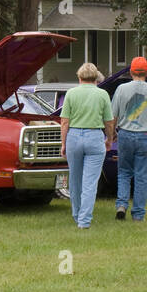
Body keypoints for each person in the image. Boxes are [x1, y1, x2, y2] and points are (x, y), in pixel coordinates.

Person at [110, 56, 147, 221]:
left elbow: (113, 116)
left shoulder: (121, 89)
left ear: (130, 71)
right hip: (145, 137)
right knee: (142, 176)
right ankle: (138, 214)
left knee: (123, 172)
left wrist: (112, 133)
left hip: (125, 135)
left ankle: (121, 205)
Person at [59, 63, 113, 228]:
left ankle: (76, 215)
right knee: (90, 182)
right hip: (95, 136)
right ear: (96, 78)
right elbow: (109, 122)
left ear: (79, 77)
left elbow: (64, 122)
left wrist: (63, 144)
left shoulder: (71, 93)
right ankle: (84, 221)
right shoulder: (102, 94)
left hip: (74, 136)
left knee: (74, 180)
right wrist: (109, 139)